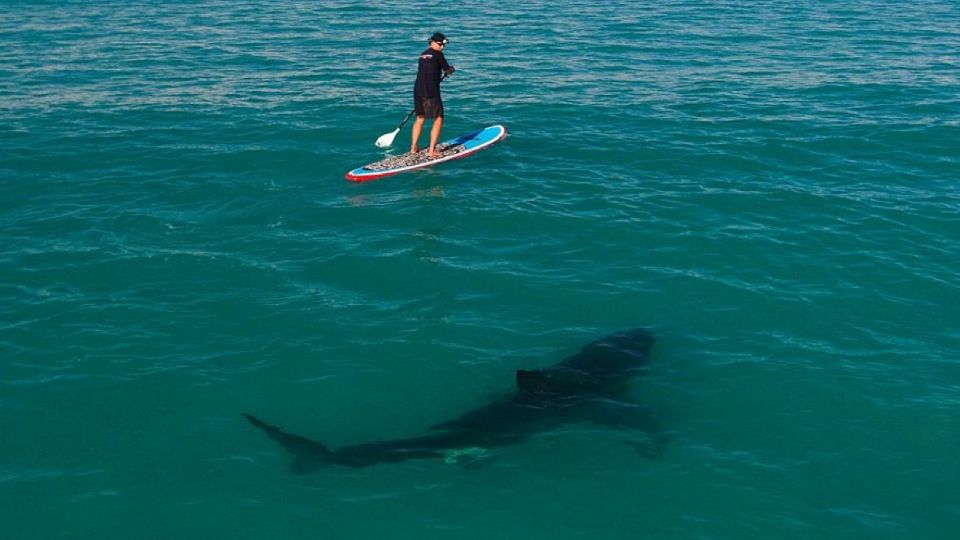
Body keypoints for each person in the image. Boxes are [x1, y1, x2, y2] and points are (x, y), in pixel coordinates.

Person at [411, 32, 455, 158]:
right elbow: (447, 70)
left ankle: (414, 147)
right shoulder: (438, 55)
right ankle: (431, 151)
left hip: (417, 90)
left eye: (443, 45)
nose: (442, 47)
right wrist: (451, 70)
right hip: (430, 91)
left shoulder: (422, 54)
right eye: (440, 44)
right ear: (432, 42)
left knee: (420, 118)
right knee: (439, 118)